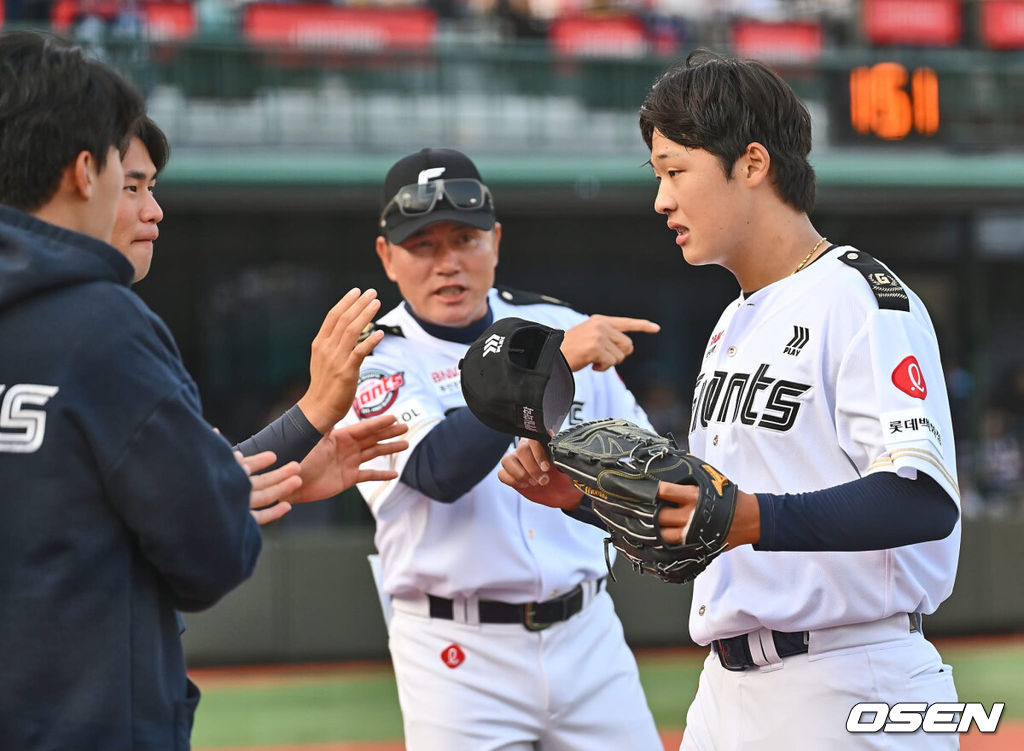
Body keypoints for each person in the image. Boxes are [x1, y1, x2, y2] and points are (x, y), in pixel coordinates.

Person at [499, 50, 961, 750]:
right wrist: (583, 501)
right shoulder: (731, 323)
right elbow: (706, 525)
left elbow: (922, 498)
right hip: (727, 688)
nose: (661, 200)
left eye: (675, 171)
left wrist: (752, 517)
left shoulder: (860, 296)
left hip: (850, 675)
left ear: (751, 163)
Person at [0, 32, 333, 748]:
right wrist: (214, 481)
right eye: (128, 173)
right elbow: (209, 553)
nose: (147, 203)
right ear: (85, 171)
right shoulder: (103, 324)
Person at [345, 147, 663, 750]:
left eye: (464, 239)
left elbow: (646, 465)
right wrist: (550, 365)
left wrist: (591, 486)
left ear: (495, 240)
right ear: (388, 257)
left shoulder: (556, 322)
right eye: (423, 245)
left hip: (588, 631)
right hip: (457, 655)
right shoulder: (374, 358)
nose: (447, 263)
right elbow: (437, 470)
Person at [110, 115, 409, 519]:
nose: (155, 211)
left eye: (151, 188)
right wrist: (316, 408)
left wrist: (275, 463)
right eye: (132, 187)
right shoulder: (89, 327)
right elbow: (170, 513)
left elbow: (179, 496)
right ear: (79, 184)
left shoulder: (114, 320)